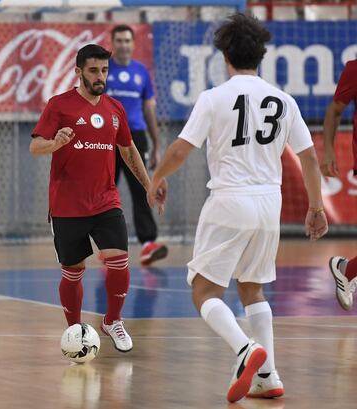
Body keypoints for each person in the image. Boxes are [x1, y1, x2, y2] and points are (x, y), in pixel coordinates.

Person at [147, 13, 328, 403]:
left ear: (224, 55)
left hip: (230, 200)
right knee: (252, 288)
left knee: (203, 289)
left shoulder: (214, 98)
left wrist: (155, 178)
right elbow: (310, 158)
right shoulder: (284, 100)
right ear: (260, 55)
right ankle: (269, 376)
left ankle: (245, 350)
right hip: (270, 204)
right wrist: (315, 207)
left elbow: (180, 149)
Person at [29, 44, 165, 353]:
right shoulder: (59, 105)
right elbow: (35, 146)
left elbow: (128, 150)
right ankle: (75, 331)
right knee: (73, 271)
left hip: (106, 201)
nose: (100, 76)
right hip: (66, 205)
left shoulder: (115, 109)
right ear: (78, 71)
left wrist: (148, 184)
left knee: (120, 263)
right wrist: (54, 143)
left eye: (104, 70)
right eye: (93, 71)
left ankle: (112, 320)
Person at [106, 24, 167, 266]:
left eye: (127, 40)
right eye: (118, 40)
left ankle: (147, 244)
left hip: (136, 137)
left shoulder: (141, 72)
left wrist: (157, 145)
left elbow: (149, 107)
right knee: (105, 192)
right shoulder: (102, 70)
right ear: (112, 43)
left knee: (142, 189)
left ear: (133, 44)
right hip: (106, 137)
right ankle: (108, 246)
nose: (123, 44)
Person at [320, 59, 357, 311]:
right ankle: (345, 270)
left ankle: (346, 270)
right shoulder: (354, 69)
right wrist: (328, 149)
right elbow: (334, 110)